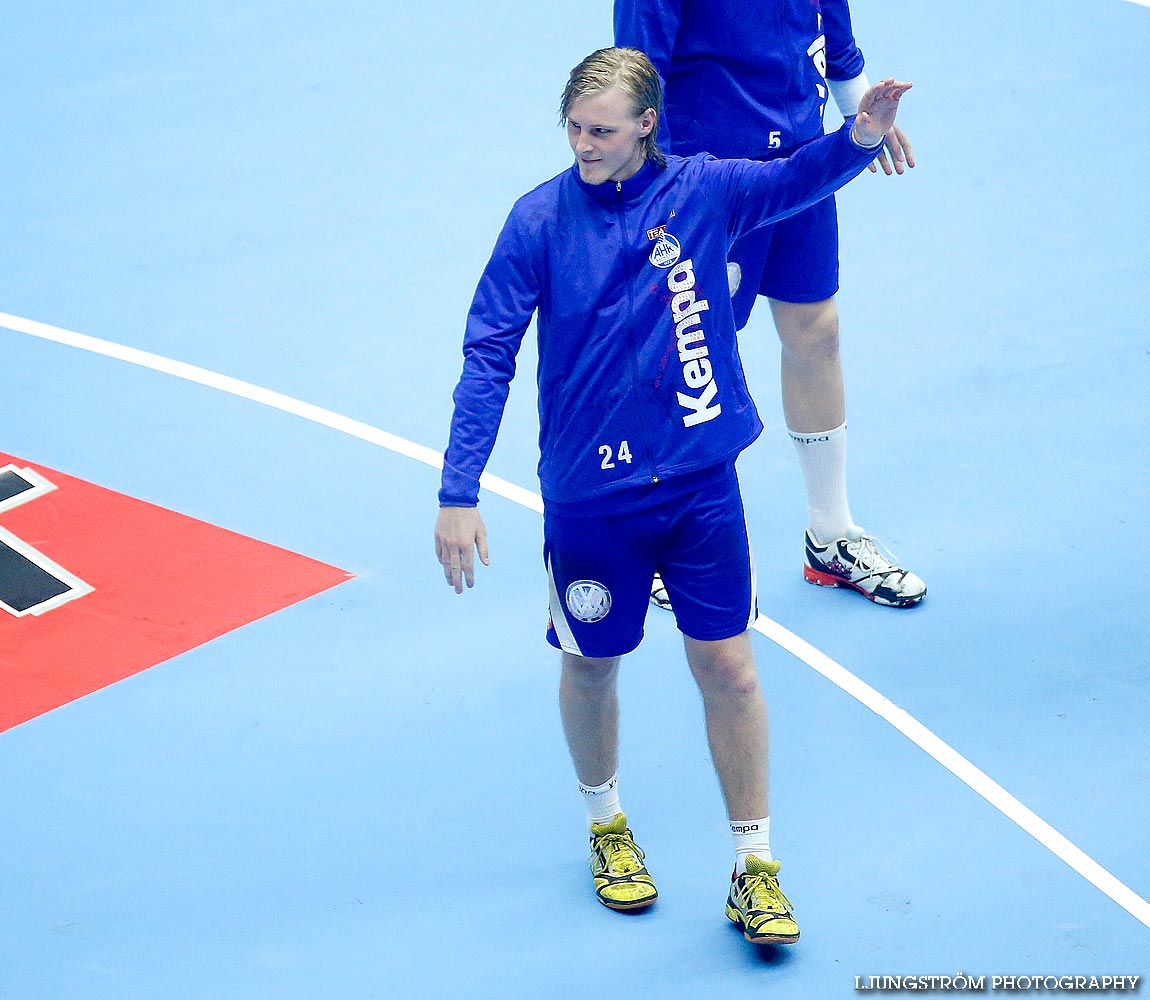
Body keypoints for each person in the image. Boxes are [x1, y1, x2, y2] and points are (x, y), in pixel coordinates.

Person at [434, 46, 910, 945]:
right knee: (592, 663)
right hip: (591, 500)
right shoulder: (536, 222)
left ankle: (756, 869)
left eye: (603, 131)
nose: (584, 145)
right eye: (574, 128)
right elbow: (488, 353)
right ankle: (606, 825)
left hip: (699, 486)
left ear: (648, 124)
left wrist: (859, 135)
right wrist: (461, 490)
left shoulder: (703, 190)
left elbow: (797, 179)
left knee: (728, 665)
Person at [615, 0, 927, 610]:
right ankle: (656, 531)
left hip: (803, 165)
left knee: (818, 332)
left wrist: (861, 117)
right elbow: (637, 74)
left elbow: (833, 35)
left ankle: (831, 534)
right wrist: (659, 191)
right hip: (714, 178)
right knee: (685, 349)